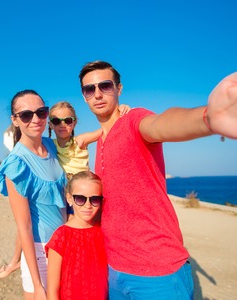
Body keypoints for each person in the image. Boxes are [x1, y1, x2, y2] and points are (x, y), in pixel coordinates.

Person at [77, 60, 237, 299]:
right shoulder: (100, 141)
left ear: (118, 89)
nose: (98, 94)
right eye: (90, 89)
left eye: (105, 86)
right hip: (115, 271)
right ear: (84, 96)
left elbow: (162, 124)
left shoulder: (134, 120)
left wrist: (207, 118)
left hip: (158, 272)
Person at [0, 101, 130, 279]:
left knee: (92, 227)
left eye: (68, 120)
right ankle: (15, 260)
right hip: (65, 196)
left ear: (74, 122)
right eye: (57, 121)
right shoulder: (49, 145)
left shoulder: (79, 141)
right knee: (26, 223)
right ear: (50, 124)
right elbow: (29, 145)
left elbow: (107, 129)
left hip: (82, 195)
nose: (62, 125)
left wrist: (122, 112)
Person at [0, 89, 67, 299]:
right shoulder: (17, 164)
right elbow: (24, 227)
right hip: (40, 251)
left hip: (66, 244)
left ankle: (14, 263)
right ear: (15, 120)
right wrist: (37, 285)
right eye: (26, 115)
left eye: (41, 112)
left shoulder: (52, 146)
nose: (35, 119)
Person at [46, 171, 108, 300]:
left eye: (95, 199)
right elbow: (52, 290)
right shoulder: (61, 236)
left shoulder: (104, 231)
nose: (88, 205)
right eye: (80, 199)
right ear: (69, 199)